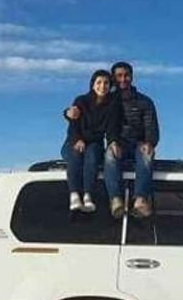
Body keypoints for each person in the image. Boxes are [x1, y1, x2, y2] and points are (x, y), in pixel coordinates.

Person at [65, 61, 161, 217]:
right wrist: (66, 113)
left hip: (139, 144)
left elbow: (152, 126)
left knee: (146, 154)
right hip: (118, 142)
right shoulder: (109, 100)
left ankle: (141, 200)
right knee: (110, 155)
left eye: (126, 75)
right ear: (114, 79)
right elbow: (81, 112)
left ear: (132, 77)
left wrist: (149, 142)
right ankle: (115, 200)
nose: (123, 79)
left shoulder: (145, 101)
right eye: (119, 76)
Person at [61, 69, 117, 213]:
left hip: (94, 144)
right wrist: (78, 139)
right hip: (74, 141)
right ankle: (73, 195)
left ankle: (87, 195)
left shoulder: (112, 106)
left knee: (91, 156)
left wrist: (113, 142)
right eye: (99, 82)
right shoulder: (81, 101)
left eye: (106, 83)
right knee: (76, 155)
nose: (102, 86)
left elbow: (112, 129)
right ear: (92, 84)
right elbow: (73, 124)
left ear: (110, 86)